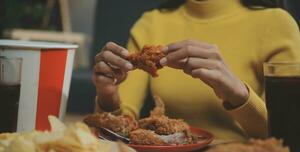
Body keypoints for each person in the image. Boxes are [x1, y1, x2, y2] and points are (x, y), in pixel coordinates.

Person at [92, 0, 300, 141]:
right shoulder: (152, 22)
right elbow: (120, 129)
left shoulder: (276, 23)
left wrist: (238, 94)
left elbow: (290, 137)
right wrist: (107, 96)